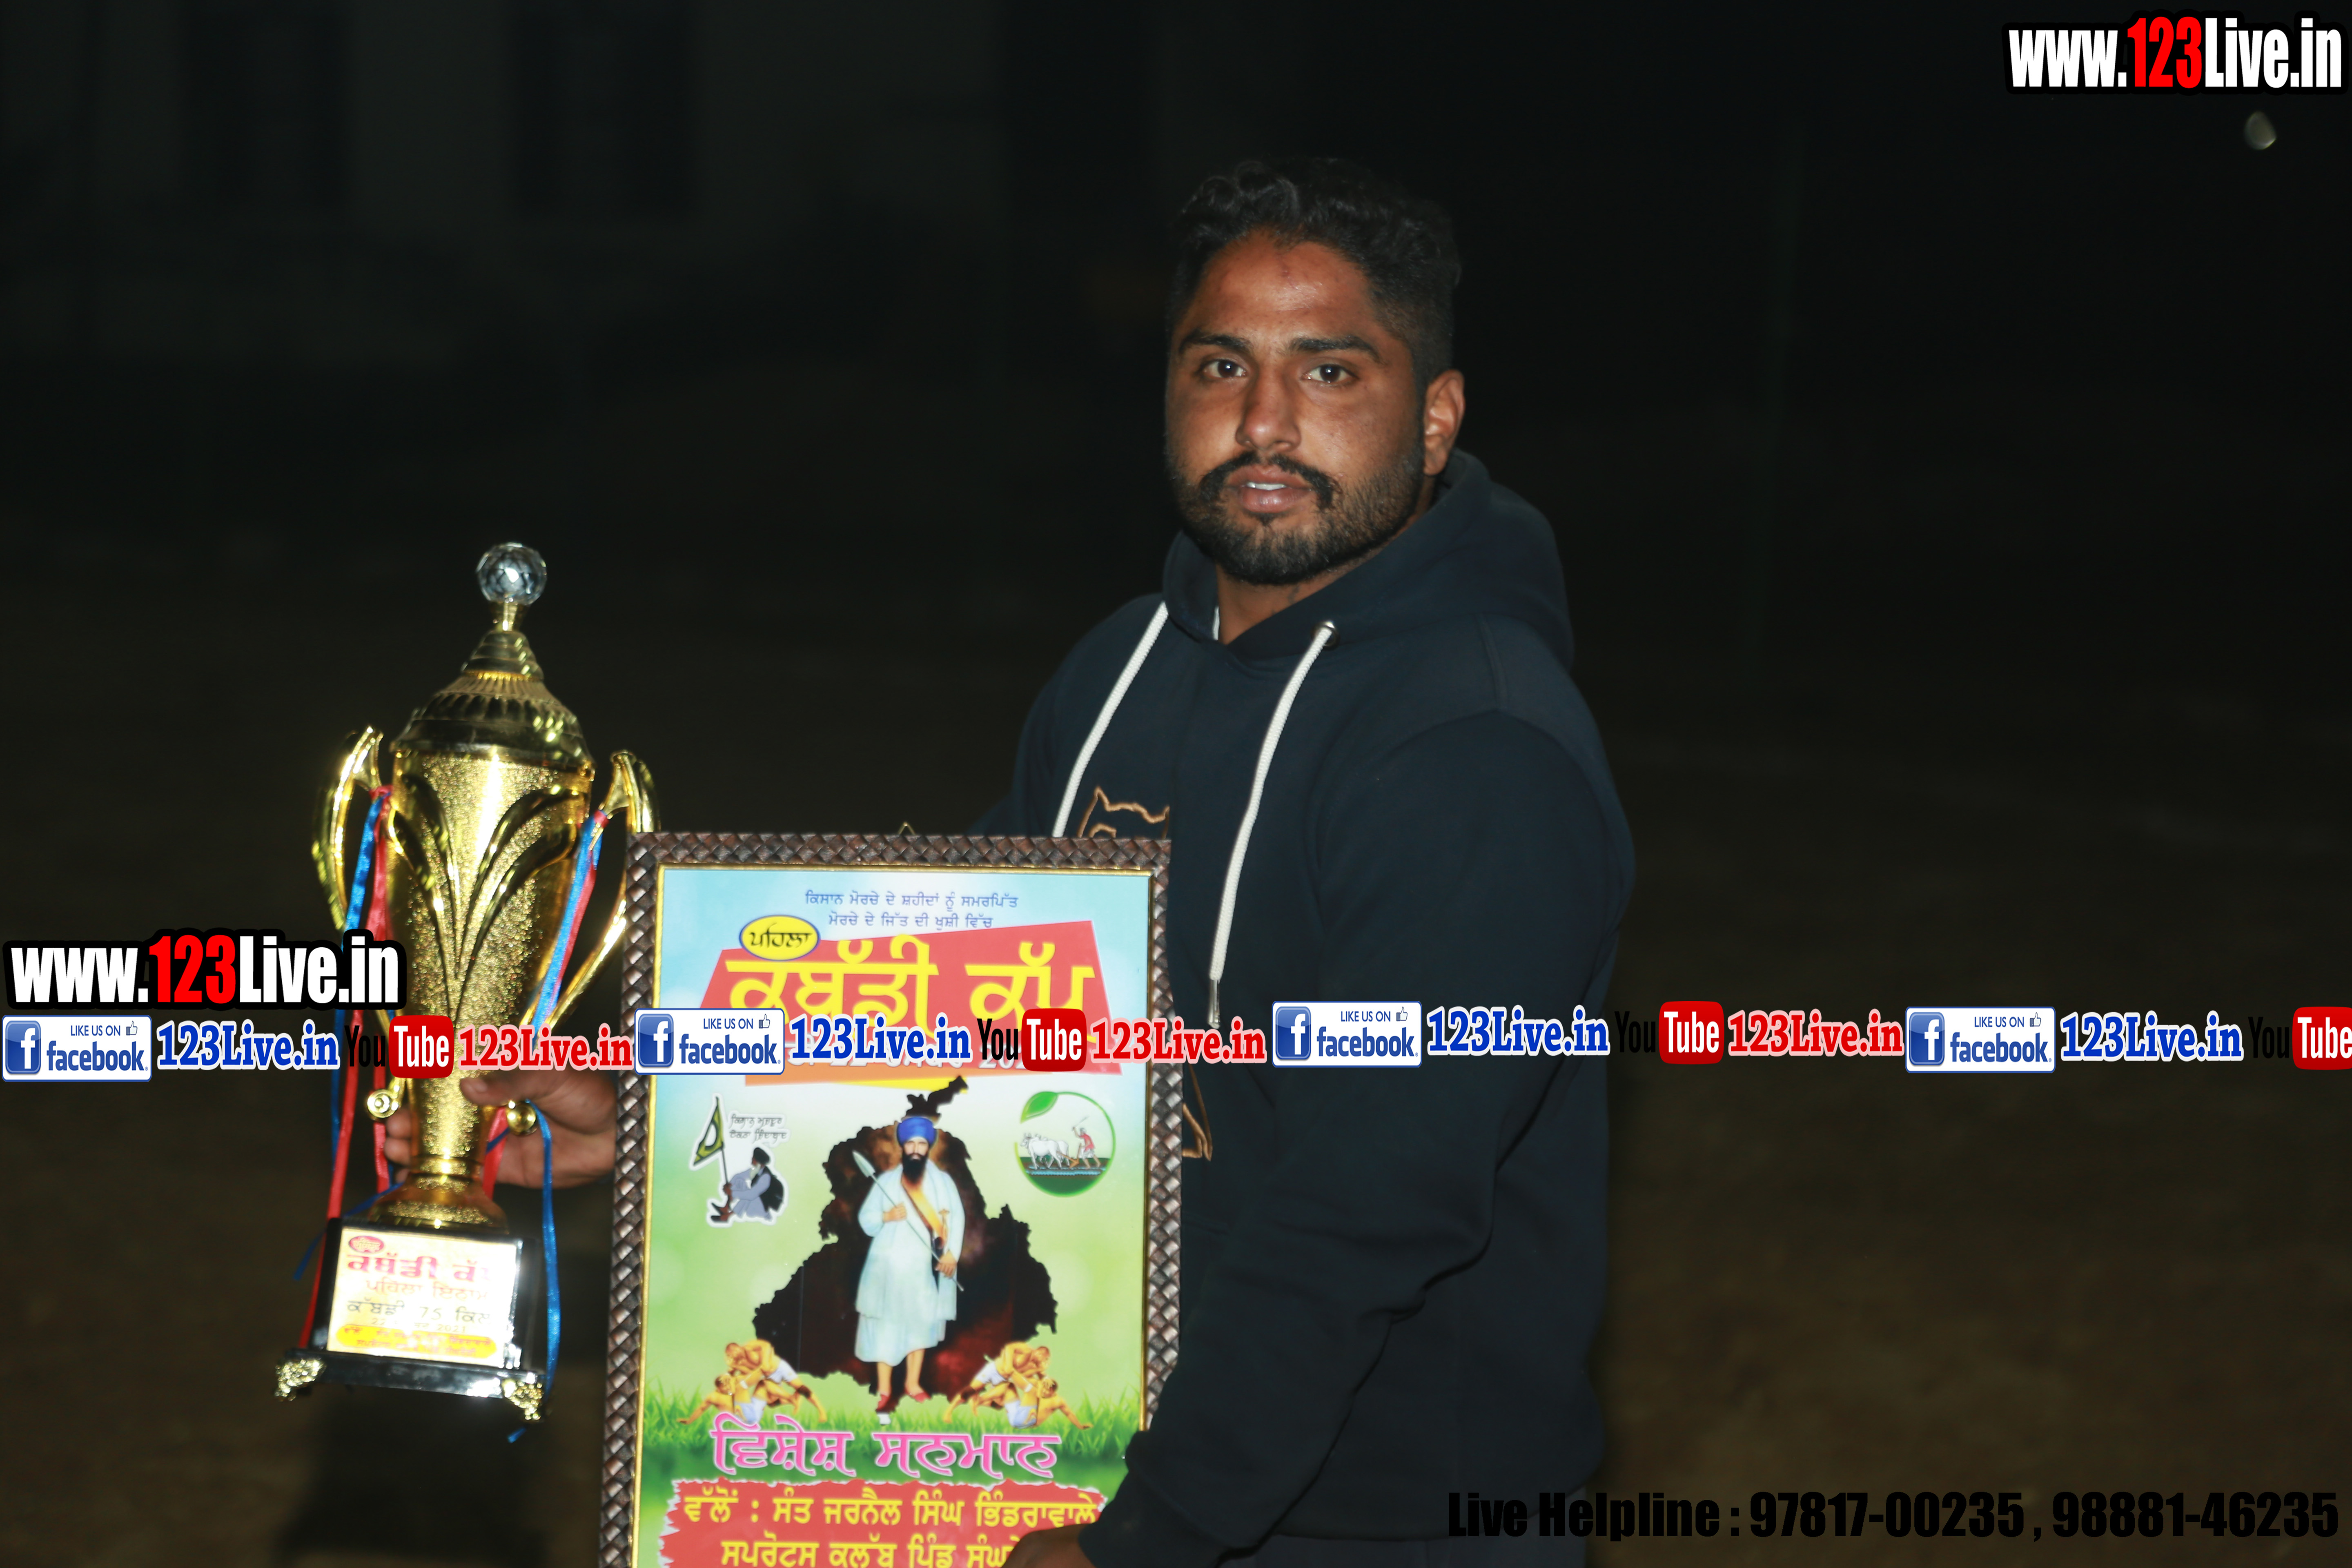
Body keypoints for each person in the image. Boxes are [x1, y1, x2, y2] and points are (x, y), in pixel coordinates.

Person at [985, 159, 1633, 1567]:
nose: (1265, 421)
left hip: (1374, 1526)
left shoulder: (1477, 748)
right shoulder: (1111, 673)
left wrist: (1149, 1532)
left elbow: (1368, 1205)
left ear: (1437, 417)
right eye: (1221, 364)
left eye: (1330, 371)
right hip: (1087, 1448)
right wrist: (667, 1106)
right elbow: (961, 1016)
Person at [853, 1117, 964, 1408]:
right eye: (911, 1144)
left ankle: (913, 1384)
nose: (916, 1149)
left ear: (928, 1148)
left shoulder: (943, 1183)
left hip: (921, 1270)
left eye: (922, 1144)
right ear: (903, 1147)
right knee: (885, 1326)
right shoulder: (887, 1182)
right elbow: (866, 1219)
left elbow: (957, 1220)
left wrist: (952, 1254)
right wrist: (886, 1217)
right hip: (886, 1269)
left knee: (920, 1323)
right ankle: (884, 1389)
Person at [710, 1145, 784, 1225]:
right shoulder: (756, 1170)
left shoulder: (766, 1177)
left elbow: (751, 1195)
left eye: (754, 1159)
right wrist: (729, 1186)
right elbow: (739, 1177)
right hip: (754, 1204)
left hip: (761, 1210)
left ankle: (727, 1217)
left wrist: (732, 1193)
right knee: (739, 1182)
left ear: (759, 1162)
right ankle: (726, 1208)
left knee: (748, 1196)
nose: (752, 1160)